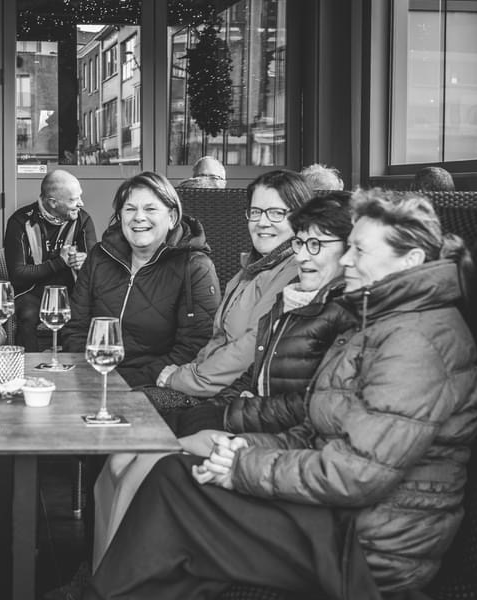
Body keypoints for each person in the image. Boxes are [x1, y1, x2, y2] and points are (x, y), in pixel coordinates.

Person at [88, 188, 477, 600]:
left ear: (411, 260)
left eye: (359, 251)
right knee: (176, 481)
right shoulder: (380, 321)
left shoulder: (418, 342)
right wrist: (243, 448)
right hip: (337, 516)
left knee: (174, 483)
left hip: (369, 547)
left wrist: (242, 466)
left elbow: (356, 475)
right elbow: (316, 430)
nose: (346, 261)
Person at [91, 191, 358, 570]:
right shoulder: (290, 295)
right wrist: (229, 396)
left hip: (269, 435)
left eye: (315, 244)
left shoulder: (337, 310)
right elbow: (240, 357)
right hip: (244, 411)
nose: (302, 255)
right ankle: (98, 571)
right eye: (300, 243)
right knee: (119, 458)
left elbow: (308, 405)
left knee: (144, 463)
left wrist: (214, 400)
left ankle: (111, 578)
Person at [155, 169, 314, 401]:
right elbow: (219, 341)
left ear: (300, 218)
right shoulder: (249, 271)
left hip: (240, 398)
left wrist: (181, 379)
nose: (262, 222)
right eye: (256, 212)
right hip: (211, 387)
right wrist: (188, 372)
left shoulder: (296, 273)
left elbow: (251, 348)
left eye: (276, 213)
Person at [61, 171, 221, 390]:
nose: (138, 217)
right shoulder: (99, 257)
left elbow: (195, 347)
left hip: (158, 387)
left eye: (150, 209)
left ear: (172, 217)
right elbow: (75, 328)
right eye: (130, 209)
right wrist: (93, 374)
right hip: (96, 376)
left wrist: (126, 384)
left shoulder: (194, 267)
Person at [5, 169, 97, 351]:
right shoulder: (20, 221)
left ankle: (70, 362)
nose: (81, 203)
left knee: (85, 312)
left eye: (79, 197)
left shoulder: (82, 219)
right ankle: (30, 364)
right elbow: (18, 274)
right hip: (32, 292)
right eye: (73, 200)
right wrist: (60, 262)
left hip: (72, 292)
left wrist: (85, 262)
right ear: (53, 202)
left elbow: (96, 265)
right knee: (27, 314)